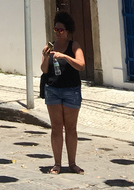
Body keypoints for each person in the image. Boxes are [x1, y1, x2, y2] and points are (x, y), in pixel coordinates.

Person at [41, 11, 86, 175]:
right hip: (52, 90)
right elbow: (44, 70)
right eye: (56, 30)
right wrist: (45, 58)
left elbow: (81, 65)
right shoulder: (50, 46)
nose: (58, 33)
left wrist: (65, 57)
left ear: (67, 31)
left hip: (71, 91)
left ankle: (72, 163)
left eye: (61, 30)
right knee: (56, 127)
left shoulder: (74, 46)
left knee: (71, 128)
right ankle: (57, 164)